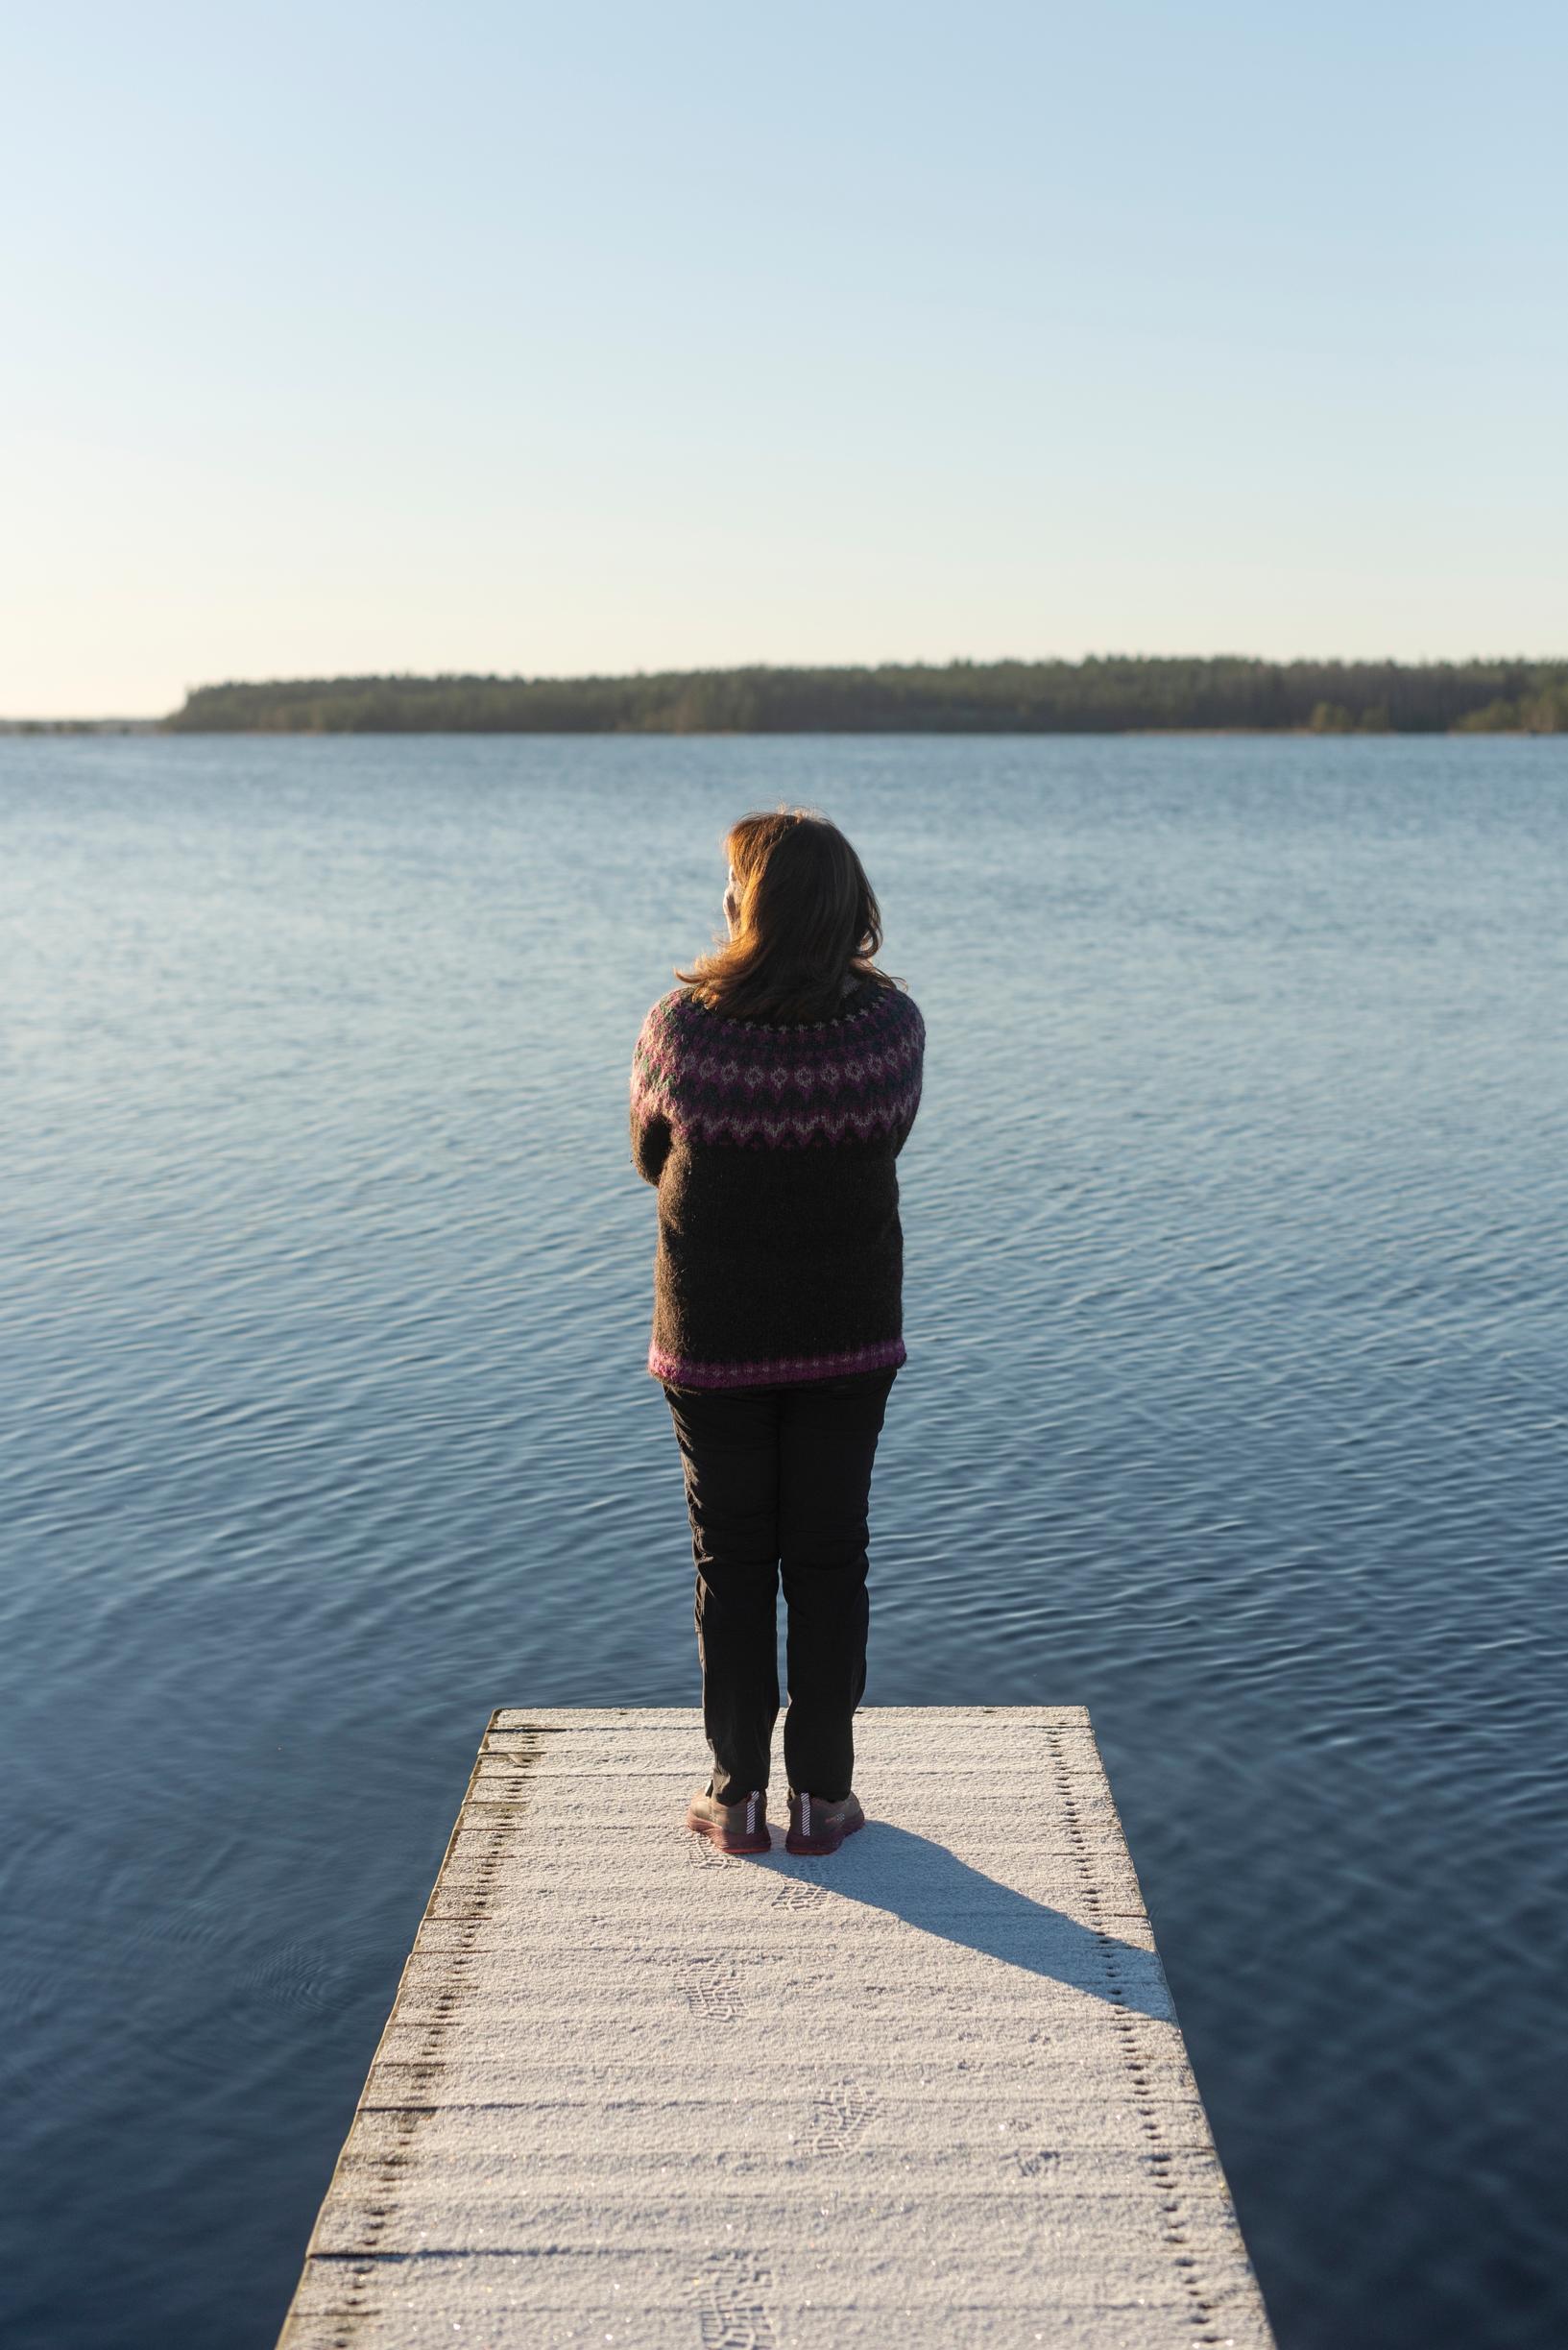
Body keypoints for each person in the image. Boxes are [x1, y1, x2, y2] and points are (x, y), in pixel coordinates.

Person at [629, 807, 925, 1861]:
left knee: (732, 1559)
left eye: (732, 886)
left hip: (711, 1339)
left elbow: (646, 1152)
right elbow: (886, 1132)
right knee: (830, 1557)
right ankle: (826, 1799)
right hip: (847, 1334)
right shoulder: (890, 1029)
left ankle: (736, 1792)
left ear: (749, 907)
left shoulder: (680, 1027)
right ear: (845, 909)